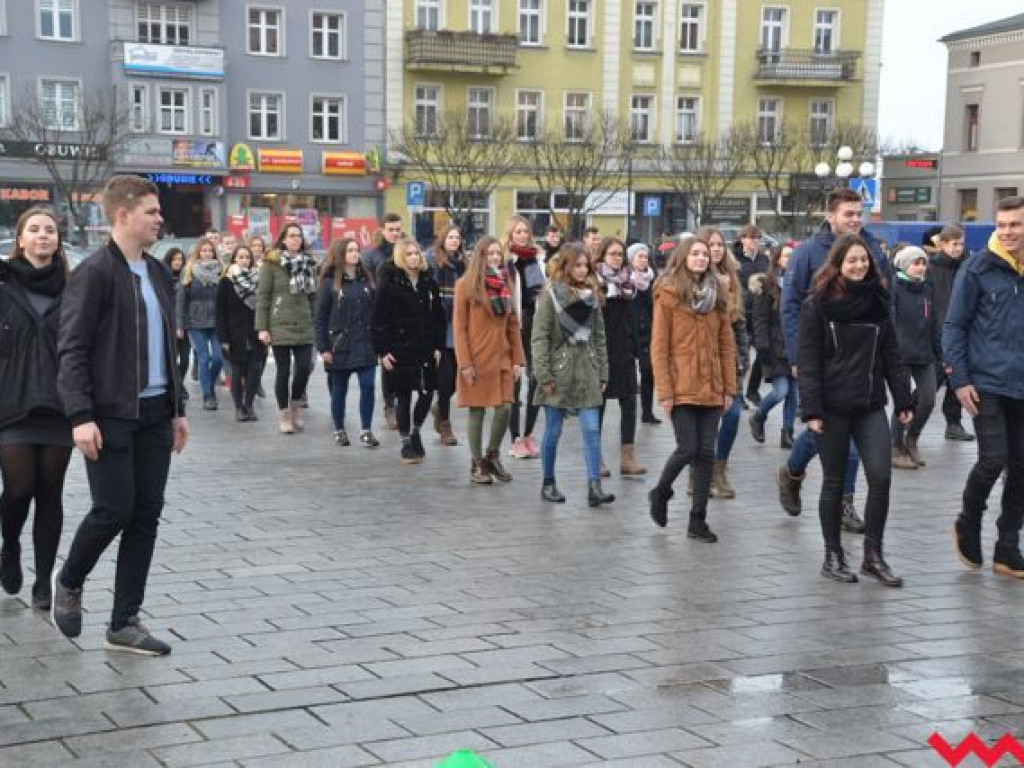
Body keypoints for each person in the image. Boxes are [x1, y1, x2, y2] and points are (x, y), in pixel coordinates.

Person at [53, 174, 189, 655]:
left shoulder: (157, 272)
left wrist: (177, 410)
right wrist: (79, 415)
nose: (159, 219)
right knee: (114, 509)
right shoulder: (94, 272)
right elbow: (71, 350)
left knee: (146, 514)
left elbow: (170, 350)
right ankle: (69, 580)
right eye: (151, 211)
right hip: (108, 414)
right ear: (123, 215)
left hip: (155, 412)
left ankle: (124, 621)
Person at [798, 234, 913, 585]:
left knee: (881, 476)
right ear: (838, 264)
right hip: (831, 407)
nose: (859, 265)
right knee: (834, 482)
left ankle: (873, 555)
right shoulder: (818, 303)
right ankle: (833, 555)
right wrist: (812, 409)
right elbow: (808, 359)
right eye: (852, 261)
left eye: (864, 260)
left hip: (869, 404)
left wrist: (903, 398)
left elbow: (891, 354)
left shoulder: (879, 301)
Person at [778, 188, 886, 530]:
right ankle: (794, 470)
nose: (855, 220)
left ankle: (844, 504)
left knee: (847, 436)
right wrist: (797, 356)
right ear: (830, 216)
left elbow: (885, 305)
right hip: (821, 363)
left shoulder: (873, 251)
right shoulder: (807, 254)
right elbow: (791, 306)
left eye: (858, 213)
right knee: (825, 428)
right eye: (848, 214)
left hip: (861, 364)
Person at [945, 196, 1024, 578]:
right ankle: (967, 520)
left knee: (1021, 468)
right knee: (994, 458)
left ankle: (1008, 548)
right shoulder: (976, 269)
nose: (1008, 232)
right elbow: (954, 326)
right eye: (1003, 225)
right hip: (986, 383)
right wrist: (958, 379)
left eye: (1016, 225)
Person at [0, 207, 73, 610]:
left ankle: (44, 578)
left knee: (50, 492)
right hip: (11, 401)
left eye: (50, 230)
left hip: (59, 403)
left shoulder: (73, 287)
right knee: (19, 488)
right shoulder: (2, 282)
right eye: (34, 229)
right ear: (21, 239)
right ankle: (9, 546)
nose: (43, 235)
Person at [647, 236, 736, 539]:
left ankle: (698, 519)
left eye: (705, 254)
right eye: (695, 253)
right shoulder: (668, 293)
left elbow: (727, 345)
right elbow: (659, 347)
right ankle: (660, 492)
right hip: (681, 384)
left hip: (712, 384)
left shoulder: (718, 294)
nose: (701, 258)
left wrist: (729, 389)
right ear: (684, 257)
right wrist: (665, 392)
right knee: (688, 448)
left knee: (706, 454)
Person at [531, 243, 614, 507]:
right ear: (565, 266)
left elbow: (600, 337)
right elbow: (539, 338)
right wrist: (543, 375)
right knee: (553, 430)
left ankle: (594, 487)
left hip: (588, 370)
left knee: (591, 428)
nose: (581, 270)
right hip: (559, 371)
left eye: (585, 265)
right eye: (576, 265)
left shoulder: (592, 296)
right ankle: (548, 482)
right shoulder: (550, 297)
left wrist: (603, 372)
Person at [454, 237, 525, 483]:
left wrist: (518, 359)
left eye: (498, 253)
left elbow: (513, 324)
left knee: (506, 407)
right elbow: (459, 329)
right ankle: (476, 463)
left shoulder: (505, 281)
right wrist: (465, 363)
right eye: (490, 253)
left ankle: (492, 455)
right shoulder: (465, 285)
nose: (495, 257)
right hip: (476, 358)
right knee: (477, 410)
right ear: (480, 256)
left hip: (503, 357)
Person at [371, 236, 445, 465]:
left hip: (425, 347)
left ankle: (415, 430)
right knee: (403, 395)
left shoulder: (428, 282)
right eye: (409, 254)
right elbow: (377, 320)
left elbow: (438, 318)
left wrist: (437, 346)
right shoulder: (389, 283)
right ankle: (405, 441)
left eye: (416, 253)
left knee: (427, 392)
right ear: (401, 257)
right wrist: (383, 352)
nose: (414, 257)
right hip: (399, 348)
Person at [315, 237, 379, 449]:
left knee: (368, 386)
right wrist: (323, 347)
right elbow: (321, 317)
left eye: (357, 250)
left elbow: (376, 312)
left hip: (366, 344)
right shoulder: (329, 283)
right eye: (350, 250)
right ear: (341, 254)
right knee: (339, 390)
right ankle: (339, 429)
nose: (354, 253)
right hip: (339, 345)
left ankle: (366, 430)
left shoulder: (367, 280)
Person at [255, 223, 317, 435]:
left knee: (304, 369)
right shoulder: (271, 264)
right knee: (283, 371)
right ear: (283, 239)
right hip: (279, 322)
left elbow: (313, 296)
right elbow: (262, 297)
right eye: (291, 236)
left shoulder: (308, 263)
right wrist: (262, 327)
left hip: (303, 322)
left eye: (299, 236)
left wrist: (317, 320)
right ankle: (284, 415)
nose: (296, 239)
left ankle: (295, 407)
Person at [701, 227, 747, 499]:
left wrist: (742, 356)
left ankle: (720, 469)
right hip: (705, 357)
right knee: (706, 421)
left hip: (730, 358)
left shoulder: (731, 277)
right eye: (711, 244)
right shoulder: (694, 277)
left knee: (732, 414)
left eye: (720, 244)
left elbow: (739, 320)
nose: (716, 249)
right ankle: (699, 474)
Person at [596, 236, 645, 475]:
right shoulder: (596, 282)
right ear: (603, 256)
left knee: (629, 403)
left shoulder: (629, 283)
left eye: (620, 254)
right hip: (603, 352)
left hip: (624, 350)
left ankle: (627, 457)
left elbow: (632, 319)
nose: (617, 258)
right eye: (612, 254)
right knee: (599, 406)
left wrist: (636, 349)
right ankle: (596, 458)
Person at [889, 246, 941, 469]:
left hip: (925, 353)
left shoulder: (927, 288)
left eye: (923, 263)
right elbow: (890, 321)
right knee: (903, 401)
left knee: (928, 399)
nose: (920, 268)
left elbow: (934, 322)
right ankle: (896, 447)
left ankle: (912, 439)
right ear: (904, 265)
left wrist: (941, 353)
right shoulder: (895, 287)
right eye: (916, 263)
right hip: (901, 354)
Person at [749, 243, 797, 449]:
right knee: (781, 391)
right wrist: (762, 347)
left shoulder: (798, 283)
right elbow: (760, 320)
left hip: (795, 347)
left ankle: (787, 433)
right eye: (786, 256)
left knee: (794, 393)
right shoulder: (766, 286)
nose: (790, 259)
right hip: (775, 347)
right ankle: (759, 416)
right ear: (777, 259)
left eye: (792, 256)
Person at [929, 224, 974, 442]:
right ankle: (908, 422)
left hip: (962, 334)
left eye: (961, 243)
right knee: (930, 387)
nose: (958, 248)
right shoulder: (931, 268)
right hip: (937, 334)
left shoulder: (968, 266)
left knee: (958, 380)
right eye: (954, 244)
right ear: (943, 244)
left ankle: (953, 423)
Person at [505, 215, 545, 460]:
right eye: (517, 231)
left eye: (525, 231)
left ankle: (528, 433)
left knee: (537, 379)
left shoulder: (535, 260)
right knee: (515, 381)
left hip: (534, 321)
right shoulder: (507, 261)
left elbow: (540, 291)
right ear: (510, 234)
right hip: (513, 323)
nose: (522, 235)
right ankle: (514, 438)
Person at [363, 213, 403, 430]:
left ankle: (401, 402)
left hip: (405, 314)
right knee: (388, 362)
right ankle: (390, 406)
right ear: (382, 230)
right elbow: (369, 285)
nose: (395, 233)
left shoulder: (406, 250)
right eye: (391, 229)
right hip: (383, 315)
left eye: (398, 229)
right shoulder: (373, 256)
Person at [215, 245, 263, 422]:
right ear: (234, 259)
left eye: (247, 257)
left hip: (255, 331)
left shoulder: (258, 279)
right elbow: (220, 311)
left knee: (255, 369)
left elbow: (264, 306)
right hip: (234, 332)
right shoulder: (226, 281)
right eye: (241, 257)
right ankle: (238, 407)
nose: (244, 260)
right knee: (237, 370)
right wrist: (224, 338)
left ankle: (249, 405)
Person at [427, 226, 466, 447]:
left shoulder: (464, 264)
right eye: (450, 237)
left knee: (458, 378)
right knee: (445, 376)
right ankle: (445, 424)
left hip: (460, 324)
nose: (454, 240)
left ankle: (439, 407)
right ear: (442, 240)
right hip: (442, 325)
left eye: (457, 237)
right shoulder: (434, 263)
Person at [175, 238, 223, 411]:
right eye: (204, 251)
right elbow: (181, 299)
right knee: (204, 357)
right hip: (195, 321)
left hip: (217, 321)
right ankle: (208, 395)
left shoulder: (221, 271)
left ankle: (208, 384)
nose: (207, 253)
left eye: (210, 251)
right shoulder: (189, 271)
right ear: (198, 253)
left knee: (218, 358)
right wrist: (179, 324)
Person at [735, 224, 769, 406]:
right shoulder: (735, 260)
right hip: (742, 312)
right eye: (750, 238)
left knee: (763, 351)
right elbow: (734, 287)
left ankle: (752, 390)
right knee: (742, 356)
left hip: (760, 313)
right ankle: (738, 394)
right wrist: (748, 293)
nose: (754, 241)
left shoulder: (764, 260)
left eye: (757, 238)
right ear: (742, 239)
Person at [628, 243, 659, 425]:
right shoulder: (625, 279)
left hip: (648, 330)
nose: (643, 260)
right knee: (630, 375)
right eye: (639, 256)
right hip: (629, 331)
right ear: (631, 259)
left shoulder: (652, 280)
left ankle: (647, 412)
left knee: (648, 372)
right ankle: (630, 411)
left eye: (645, 257)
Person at [163, 247, 190, 400]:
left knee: (185, 360)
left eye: (180, 259)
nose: (177, 262)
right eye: (174, 259)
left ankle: (178, 383)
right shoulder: (162, 277)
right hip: (168, 324)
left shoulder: (186, 278)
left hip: (184, 323)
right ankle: (177, 387)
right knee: (172, 359)